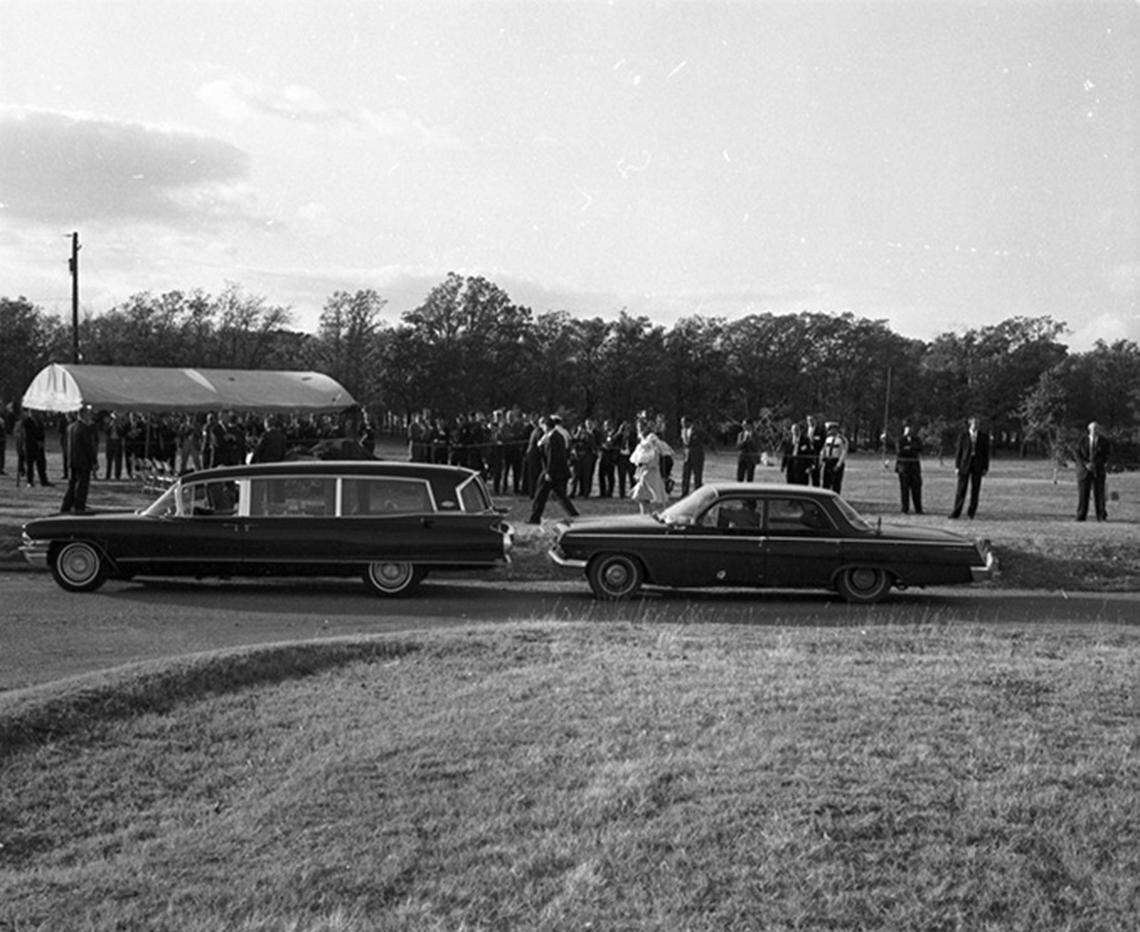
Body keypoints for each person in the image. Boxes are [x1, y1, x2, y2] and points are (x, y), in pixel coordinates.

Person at [527, 415, 579, 523]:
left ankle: (534, 518)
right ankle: (573, 513)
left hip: (551, 471)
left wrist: (549, 472)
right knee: (560, 495)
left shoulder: (552, 438)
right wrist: (541, 444)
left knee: (540, 495)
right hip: (556, 471)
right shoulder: (555, 435)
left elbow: (552, 456)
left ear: (546, 426)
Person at [949, 415, 990, 519]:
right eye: (974, 423)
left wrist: (985, 467)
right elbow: (958, 452)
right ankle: (956, 512)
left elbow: (986, 453)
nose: (975, 425)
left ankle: (971, 512)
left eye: (977, 423)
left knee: (975, 490)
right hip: (964, 465)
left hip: (977, 465)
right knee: (961, 489)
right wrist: (957, 466)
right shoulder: (963, 436)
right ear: (970, 424)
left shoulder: (983, 437)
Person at [60, 406, 98, 513]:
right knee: (82, 485)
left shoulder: (70, 427)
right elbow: (88, 446)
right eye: (88, 414)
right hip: (83, 460)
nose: (90, 416)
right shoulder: (84, 428)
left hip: (72, 460)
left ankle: (66, 506)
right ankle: (79, 506)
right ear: (84, 414)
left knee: (72, 484)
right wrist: (94, 461)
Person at [629, 418, 669, 514]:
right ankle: (645, 514)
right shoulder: (641, 439)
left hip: (651, 470)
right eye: (638, 426)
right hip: (644, 469)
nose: (640, 428)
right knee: (641, 496)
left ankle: (655, 514)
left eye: (641, 426)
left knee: (653, 495)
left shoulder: (651, 437)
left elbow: (659, 450)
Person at [1075, 421, 1111, 521]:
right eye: (1093, 429)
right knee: (1083, 494)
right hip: (1084, 471)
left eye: (1097, 429)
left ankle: (1101, 515)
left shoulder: (1104, 442)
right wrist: (1086, 464)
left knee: (1099, 494)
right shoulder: (1082, 441)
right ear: (1089, 430)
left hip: (1098, 471)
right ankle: (1081, 515)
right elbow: (1078, 455)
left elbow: (1106, 455)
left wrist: (1095, 464)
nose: (1095, 431)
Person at [893, 423, 924, 514]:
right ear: (904, 430)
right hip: (903, 468)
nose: (909, 431)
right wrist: (911, 450)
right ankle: (905, 509)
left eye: (911, 429)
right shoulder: (900, 440)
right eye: (907, 429)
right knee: (904, 489)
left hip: (914, 468)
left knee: (916, 489)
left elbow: (920, 448)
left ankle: (918, 509)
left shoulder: (917, 439)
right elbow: (900, 451)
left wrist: (909, 448)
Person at [21, 409, 52, 487]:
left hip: (39, 447)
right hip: (30, 446)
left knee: (41, 464)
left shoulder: (39, 421)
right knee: (30, 465)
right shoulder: (26, 422)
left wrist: (42, 441)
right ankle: (29, 481)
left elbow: (42, 432)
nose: (34, 413)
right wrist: (36, 442)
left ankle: (43, 481)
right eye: (32, 412)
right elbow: (27, 435)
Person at [679, 416, 708, 496]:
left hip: (697, 455)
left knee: (697, 475)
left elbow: (706, 439)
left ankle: (698, 493)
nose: (682, 424)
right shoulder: (683, 430)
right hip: (687, 456)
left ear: (688, 422)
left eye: (683, 422)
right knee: (685, 475)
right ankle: (684, 493)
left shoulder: (698, 430)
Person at [819, 421, 848, 494]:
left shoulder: (842, 439)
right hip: (828, 462)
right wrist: (822, 459)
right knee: (826, 482)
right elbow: (824, 449)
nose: (829, 431)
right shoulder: (828, 438)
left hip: (836, 461)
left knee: (836, 483)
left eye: (831, 429)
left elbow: (843, 453)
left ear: (835, 429)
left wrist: (838, 465)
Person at [804, 414, 825, 486]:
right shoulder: (805, 430)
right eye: (808, 420)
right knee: (805, 475)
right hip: (806, 455)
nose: (810, 421)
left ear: (815, 420)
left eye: (811, 420)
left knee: (815, 475)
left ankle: (816, 488)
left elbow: (822, 442)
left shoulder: (820, 430)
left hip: (816, 455)